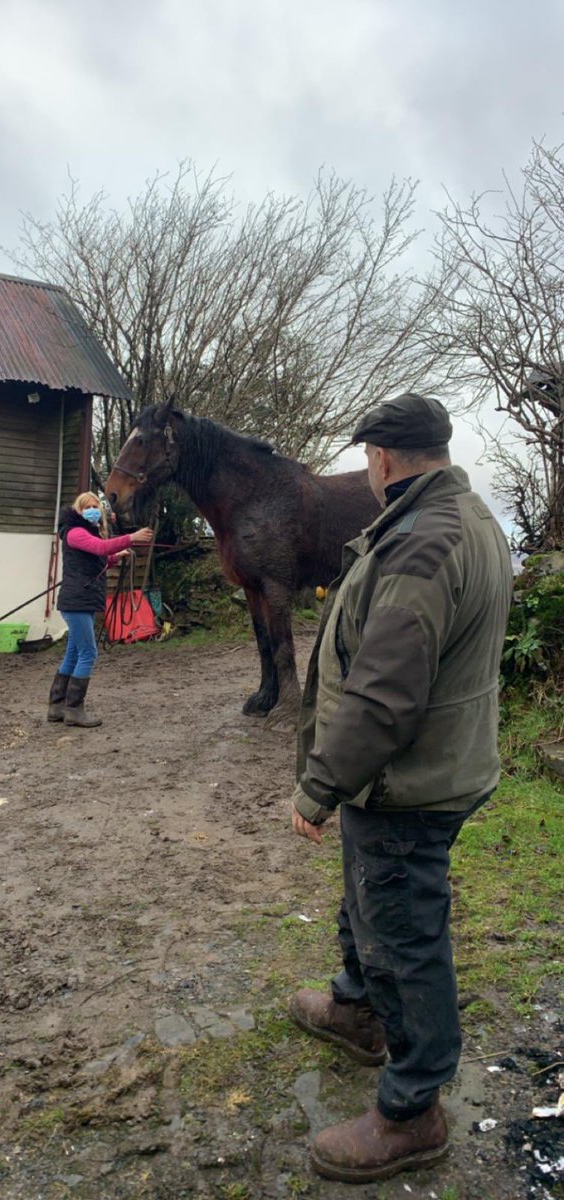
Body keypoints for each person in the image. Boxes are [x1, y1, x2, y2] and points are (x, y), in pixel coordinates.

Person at [289, 393, 513, 1184]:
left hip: (410, 780)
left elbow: (384, 694)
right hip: (432, 766)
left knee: (405, 933)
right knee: (371, 897)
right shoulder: (472, 518)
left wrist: (319, 787)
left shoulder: (423, 544)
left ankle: (413, 1110)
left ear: (382, 460)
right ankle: (356, 1009)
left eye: (366, 459)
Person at [47, 492, 153, 728]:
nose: (93, 509)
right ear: (78, 510)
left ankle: (57, 707)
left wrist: (115, 556)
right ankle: (74, 709)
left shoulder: (83, 533)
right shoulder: (75, 532)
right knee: (89, 653)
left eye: (96, 506)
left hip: (81, 599)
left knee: (74, 653)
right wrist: (131, 538)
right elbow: (99, 547)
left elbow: (95, 556)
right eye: (88, 506)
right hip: (78, 600)